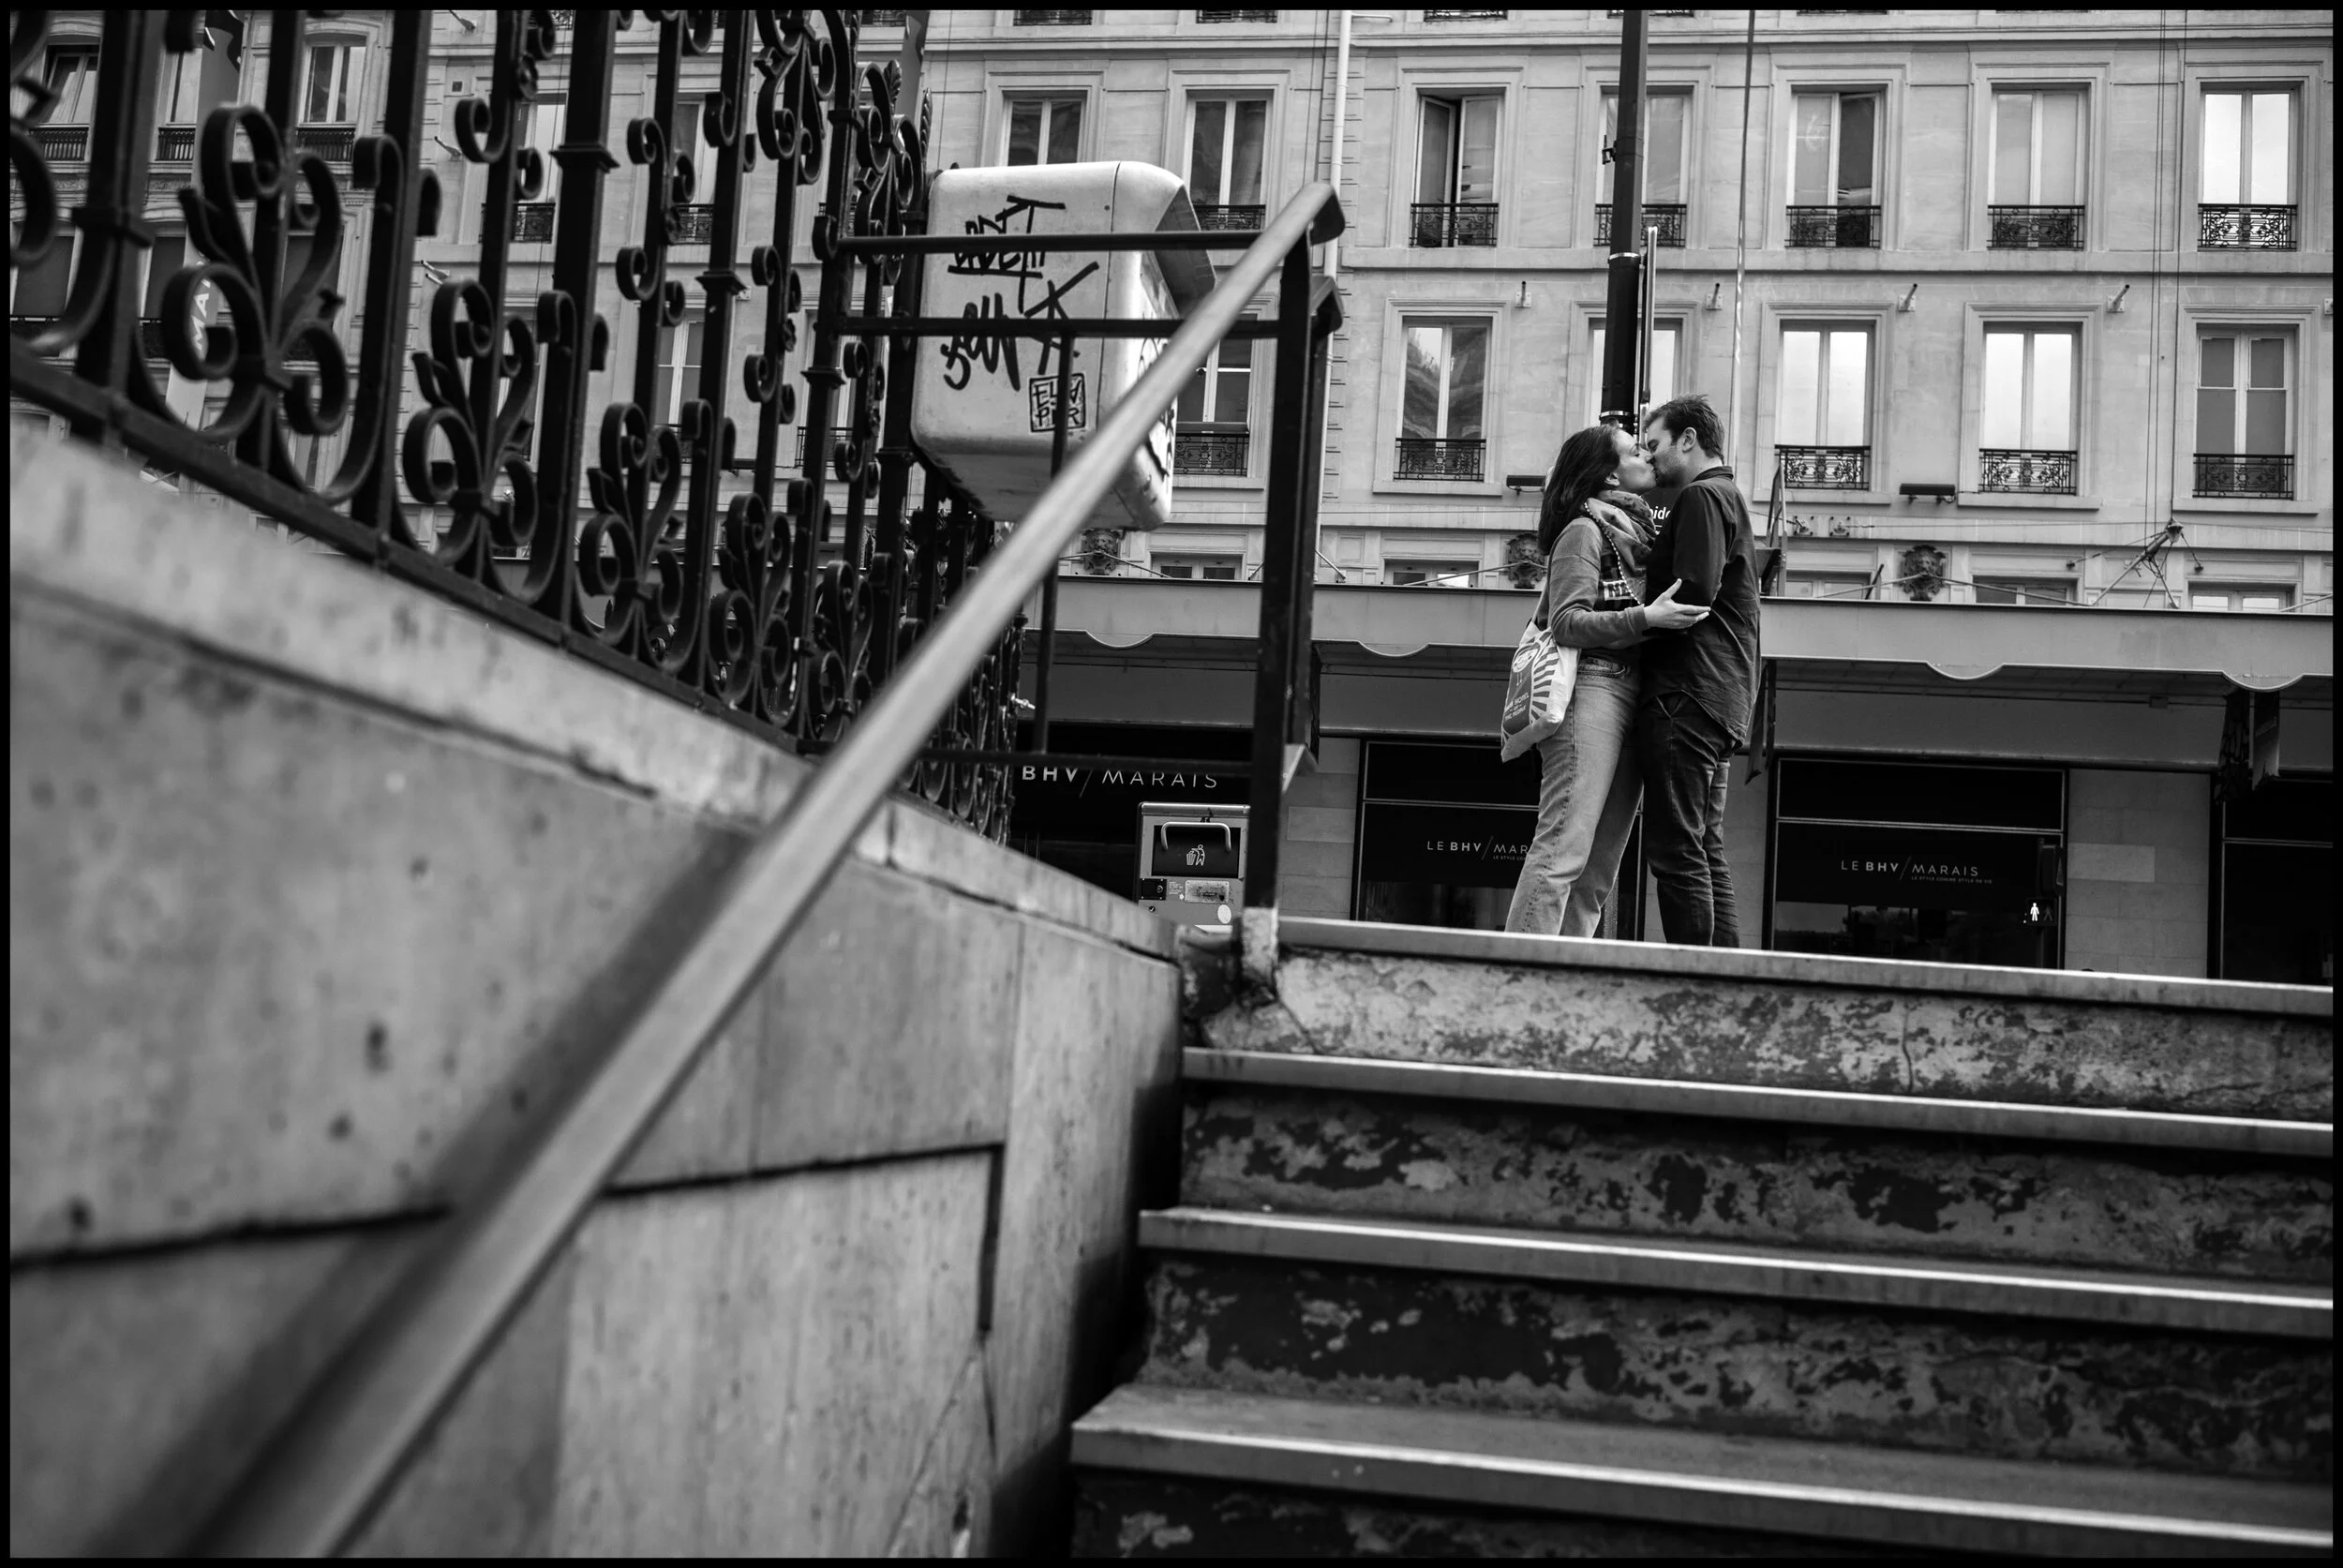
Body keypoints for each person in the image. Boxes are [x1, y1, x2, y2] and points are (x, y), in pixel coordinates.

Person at [1505, 426, 1710, 937]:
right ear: (1610, 472)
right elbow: (1567, 621)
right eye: (1635, 449)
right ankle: (1514, 978)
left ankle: (1567, 990)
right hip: (1592, 690)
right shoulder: (1583, 530)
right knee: (1561, 852)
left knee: (1598, 874)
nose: (1647, 455)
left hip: (1631, 697)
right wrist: (1645, 618)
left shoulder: (1637, 533)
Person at [1635, 395, 1760, 947]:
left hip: (1686, 692)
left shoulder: (1702, 497)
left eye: (1655, 444)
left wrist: (1626, 616)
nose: (1650, 456)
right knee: (1705, 845)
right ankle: (1724, 985)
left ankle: (1692, 985)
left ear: (1688, 440)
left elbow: (1692, 593)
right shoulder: (1730, 498)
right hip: (1721, 696)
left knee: (1675, 848)